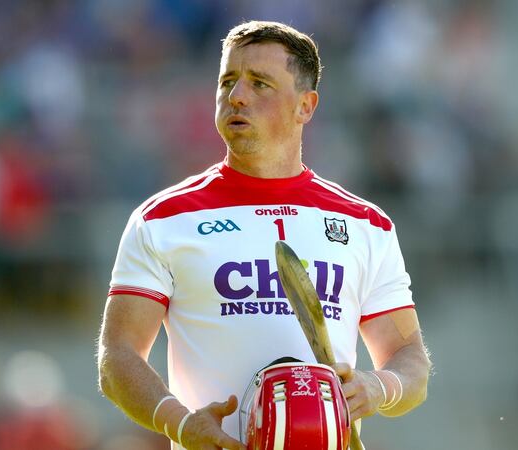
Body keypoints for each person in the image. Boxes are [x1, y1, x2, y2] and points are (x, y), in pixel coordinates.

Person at [97, 20, 431, 450]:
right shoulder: (164, 219)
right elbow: (117, 358)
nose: (236, 96)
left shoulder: (366, 224)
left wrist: (378, 388)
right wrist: (180, 425)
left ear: (305, 106)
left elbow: (410, 362)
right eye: (228, 81)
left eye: (260, 84)